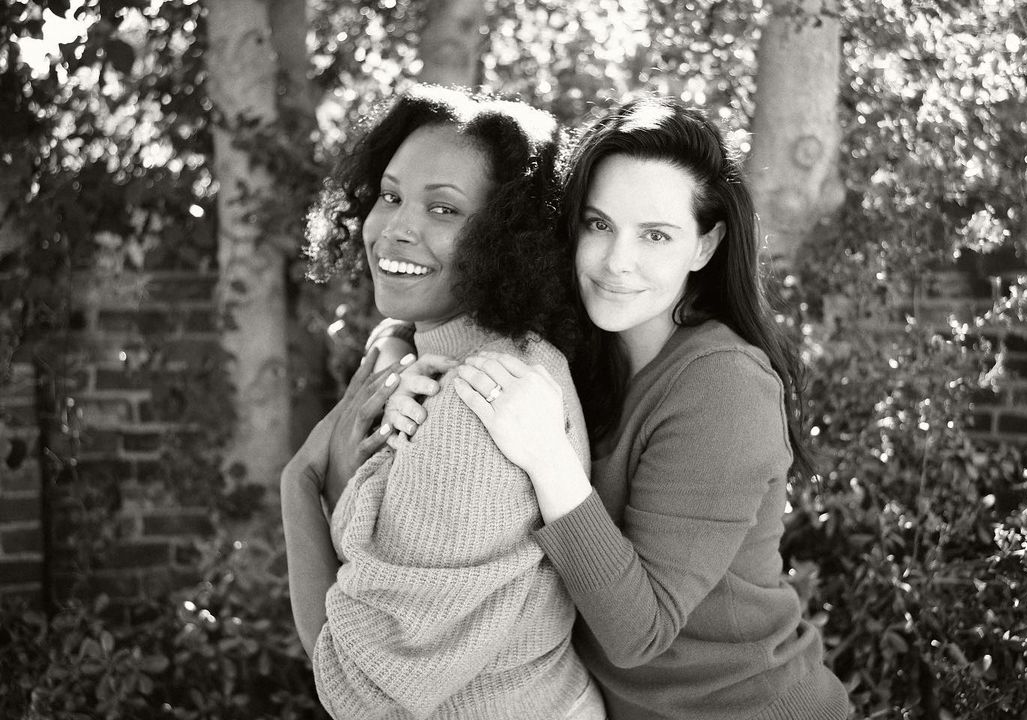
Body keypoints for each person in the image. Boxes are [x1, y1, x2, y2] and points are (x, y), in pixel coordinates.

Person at [441, 97, 851, 719]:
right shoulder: (581, 349)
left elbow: (640, 632)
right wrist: (401, 362)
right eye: (599, 224)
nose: (616, 262)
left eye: (655, 235)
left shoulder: (725, 386)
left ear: (705, 246)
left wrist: (549, 457)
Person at [280, 85, 605, 720]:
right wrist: (394, 347)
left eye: (444, 209)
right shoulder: (464, 349)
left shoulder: (477, 410)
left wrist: (300, 482)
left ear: (507, 239)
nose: (396, 229)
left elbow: (358, 690)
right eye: (391, 196)